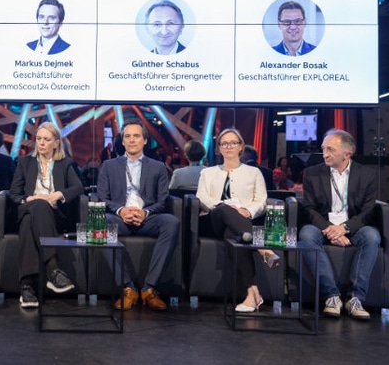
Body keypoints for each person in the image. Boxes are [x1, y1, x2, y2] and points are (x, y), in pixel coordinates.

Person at [97, 119, 181, 311]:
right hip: (119, 218)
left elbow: (162, 200)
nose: (132, 140)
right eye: (127, 136)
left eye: (136, 136)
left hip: (148, 218)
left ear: (144, 140)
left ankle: (149, 288)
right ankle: (128, 288)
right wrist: (121, 210)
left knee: (171, 222)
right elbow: (102, 197)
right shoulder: (109, 165)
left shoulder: (158, 167)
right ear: (122, 141)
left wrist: (145, 212)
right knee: (101, 223)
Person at [299, 129, 380, 320]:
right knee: (306, 235)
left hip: (353, 226)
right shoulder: (311, 173)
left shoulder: (367, 174)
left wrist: (344, 228)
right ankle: (332, 296)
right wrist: (330, 230)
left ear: (347, 154)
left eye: (330, 150)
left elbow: (368, 211)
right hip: (323, 226)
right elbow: (309, 208)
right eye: (323, 149)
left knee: (372, 236)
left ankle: (355, 298)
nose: (325, 154)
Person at [196, 128, 277, 313]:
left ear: (241, 146)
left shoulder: (254, 172)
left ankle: (252, 294)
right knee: (225, 209)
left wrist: (247, 211)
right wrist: (224, 207)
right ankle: (262, 248)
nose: (229, 146)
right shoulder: (207, 173)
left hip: (240, 225)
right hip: (212, 220)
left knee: (234, 234)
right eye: (224, 143)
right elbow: (201, 197)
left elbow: (261, 200)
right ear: (219, 148)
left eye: (233, 143)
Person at [9, 122, 83, 308]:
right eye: (39, 139)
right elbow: (14, 193)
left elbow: (78, 187)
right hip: (29, 206)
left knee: (29, 221)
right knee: (37, 206)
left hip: (54, 216)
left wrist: (58, 194)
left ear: (56, 143)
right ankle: (53, 270)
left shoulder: (64, 164)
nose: (41, 143)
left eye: (46, 140)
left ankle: (26, 287)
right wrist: (31, 198)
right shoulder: (24, 162)